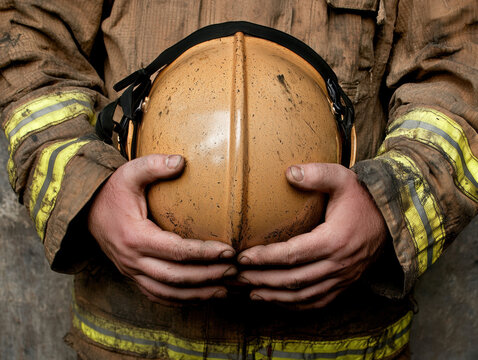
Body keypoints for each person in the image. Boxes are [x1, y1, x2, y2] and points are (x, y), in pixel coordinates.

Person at [1, 1, 477, 359]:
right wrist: (90, 194)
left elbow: (459, 64)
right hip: (133, 338)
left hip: (342, 340)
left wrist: (386, 208)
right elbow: (28, 39)